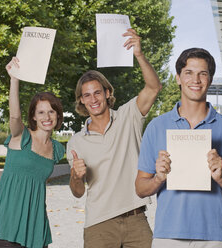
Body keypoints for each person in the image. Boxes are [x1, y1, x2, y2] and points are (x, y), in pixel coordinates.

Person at [135, 48, 222, 248]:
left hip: (215, 237)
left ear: (210, 79)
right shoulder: (157, 127)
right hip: (167, 236)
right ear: (178, 78)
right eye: (189, 73)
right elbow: (140, 189)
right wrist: (158, 178)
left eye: (203, 73)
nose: (195, 80)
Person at [66, 28, 161, 248]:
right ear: (81, 101)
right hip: (98, 225)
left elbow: (154, 87)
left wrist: (139, 54)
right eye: (87, 95)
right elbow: (78, 192)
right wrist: (76, 176)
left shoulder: (129, 116)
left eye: (97, 92)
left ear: (108, 93)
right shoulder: (76, 142)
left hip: (136, 219)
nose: (93, 99)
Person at [0, 57, 65, 248]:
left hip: (36, 227)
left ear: (57, 115)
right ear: (33, 116)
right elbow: (14, 116)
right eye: (41, 112)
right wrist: (14, 80)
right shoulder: (21, 136)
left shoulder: (57, 149)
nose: (46, 117)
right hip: (8, 223)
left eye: (51, 112)